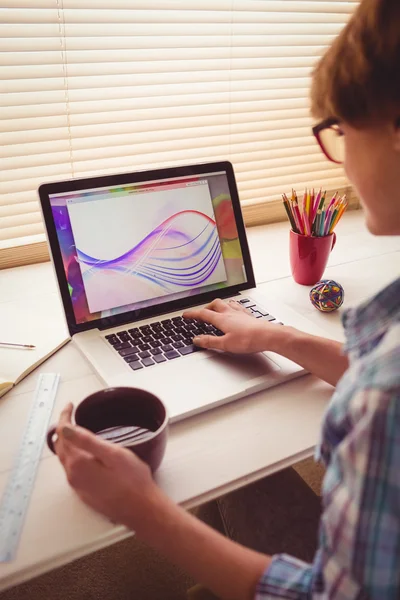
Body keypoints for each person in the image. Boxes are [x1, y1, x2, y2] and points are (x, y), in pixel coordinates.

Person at [54, 0, 400, 597]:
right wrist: (275, 336)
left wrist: (143, 510)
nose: (340, 163)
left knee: (210, 485)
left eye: (340, 132)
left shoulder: (383, 400)